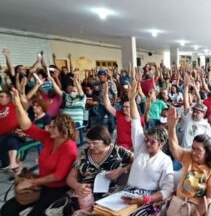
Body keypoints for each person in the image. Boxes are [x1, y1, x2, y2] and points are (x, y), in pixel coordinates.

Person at [1, 88, 78, 216]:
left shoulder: (69, 147)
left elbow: (58, 176)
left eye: (53, 127)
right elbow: (27, 127)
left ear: (63, 130)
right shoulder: (49, 137)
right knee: (7, 210)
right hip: (43, 184)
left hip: (57, 189)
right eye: (50, 126)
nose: (49, 128)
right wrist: (18, 105)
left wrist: (30, 182)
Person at [47, 125, 133, 215]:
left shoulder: (119, 152)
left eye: (95, 143)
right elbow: (71, 177)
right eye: (88, 143)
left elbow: (139, 161)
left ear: (105, 141)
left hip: (108, 194)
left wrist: (122, 170)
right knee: (52, 211)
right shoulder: (84, 154)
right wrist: (77, 186)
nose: (91, 147)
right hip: (84, 192)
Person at [121, 81, 174, 215]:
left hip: (147, 199)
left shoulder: (165, 160)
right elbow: (136, 122)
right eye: (146, 140)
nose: (148, 144)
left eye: (152, 142)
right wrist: (132, 99)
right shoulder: (141, 148)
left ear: (161, 143)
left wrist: (146, 199)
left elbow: (167, 190)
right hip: (128, 193)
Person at [167, 106, 211, 215]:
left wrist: (195, 214)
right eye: (193, 148)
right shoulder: (189, 156)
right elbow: (174, 147)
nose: (193, 152)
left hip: (201, 207)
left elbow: (210, 198)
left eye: (198, 150)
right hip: (181, 203)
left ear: (207, 152)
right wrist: (172, 126)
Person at [176, 73, 211, 149]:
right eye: (194, 111)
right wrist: (186, 87)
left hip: (196, 155)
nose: (194, 113)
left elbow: (207, 144)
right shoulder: (189, 117)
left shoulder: (206, 126)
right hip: (184, 152)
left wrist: (195, 87)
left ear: (203, 114)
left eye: (198, 112)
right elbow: (186, 103)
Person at [103, 82, 133, 150]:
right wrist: (105, 94)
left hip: (131, 148)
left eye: (127, 107)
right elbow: (108, 106)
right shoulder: (119, 114)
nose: (124, 108)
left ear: (132, 108)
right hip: (118, 146)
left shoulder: (136, 120)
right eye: (123, 106)